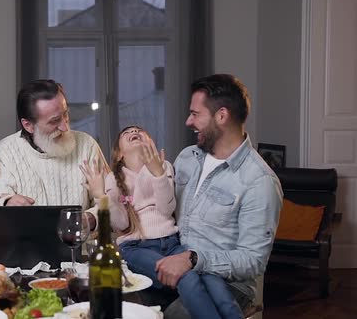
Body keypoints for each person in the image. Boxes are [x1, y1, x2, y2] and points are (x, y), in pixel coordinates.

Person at [81, 125, 243, 319]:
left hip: (172, 243)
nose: (134, 133)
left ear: (151, 144)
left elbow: (167, 209)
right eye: (127, 133)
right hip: (136, 248)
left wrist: (158, 174)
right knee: (188, 276)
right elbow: (121, 223)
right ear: (119, 154)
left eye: (140, 132)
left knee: (211, 277)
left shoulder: (163, 165)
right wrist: (100, 196)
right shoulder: (113, 179)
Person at [158, 74, 283, 318]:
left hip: (227, 285)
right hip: (174, 269)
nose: (188, 121)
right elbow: (164, 211)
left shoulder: (259, 181)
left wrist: (193, 260)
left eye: (195, 114)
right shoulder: (186, 158)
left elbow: (253, 260)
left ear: (221, 116)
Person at [0, 79, 107, 209]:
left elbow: (111, 202)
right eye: (54, 121)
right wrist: (7, 201)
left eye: (65, 114)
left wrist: (90, 219)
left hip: (81, 230)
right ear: (29, 126)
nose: (65, 127)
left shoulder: (87, 145)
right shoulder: (5, 151)